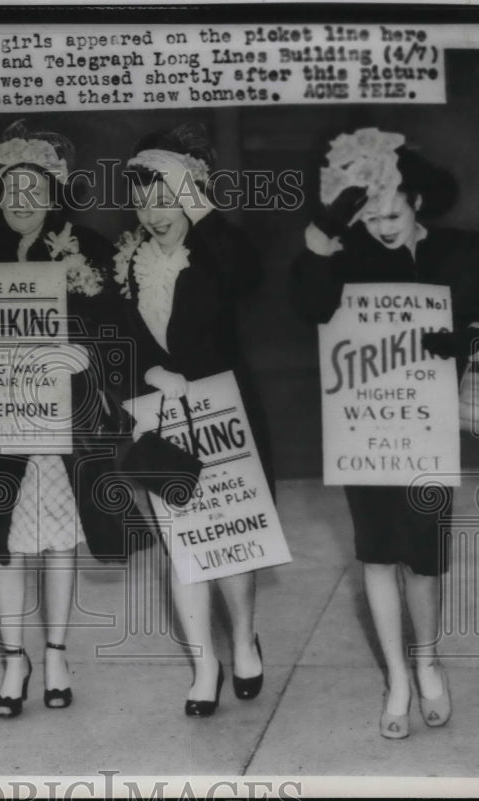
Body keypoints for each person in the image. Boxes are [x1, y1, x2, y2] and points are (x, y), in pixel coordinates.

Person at [290, 128, 479, 738]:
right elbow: (307, 304)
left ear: (419, 204)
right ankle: (398, 677)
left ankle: (428, 659)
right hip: (363, 428)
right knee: (377, 552)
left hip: (430, 430)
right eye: (371, 216)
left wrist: (469, 338)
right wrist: (323, 238)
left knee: (426, 557)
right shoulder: (349, 256)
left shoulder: (463, 250)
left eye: (395, 213)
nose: (383, 227)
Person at [0, 121, 140, 718]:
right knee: (2, 544)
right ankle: (13, 661)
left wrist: (88, 353)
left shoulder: (89, 247)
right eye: (6, 190)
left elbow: (117, 329)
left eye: (33, 191)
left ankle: (53, 652)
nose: (19, 203)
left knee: (56, 543)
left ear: (54, 194)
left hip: (63, 422)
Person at [113, 123, 273, 717]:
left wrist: (194, 196)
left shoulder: (215, 252)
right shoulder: (124, 262)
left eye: (164, 198)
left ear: (189, 195)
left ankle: (245, 640)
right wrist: (148, 374)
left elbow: (249, 278)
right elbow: (118, 338)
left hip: (224, 414)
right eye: (140, 200)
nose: (151, 213)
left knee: (230, 539)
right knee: (182, 546)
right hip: (160, 418)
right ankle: (204, 664)